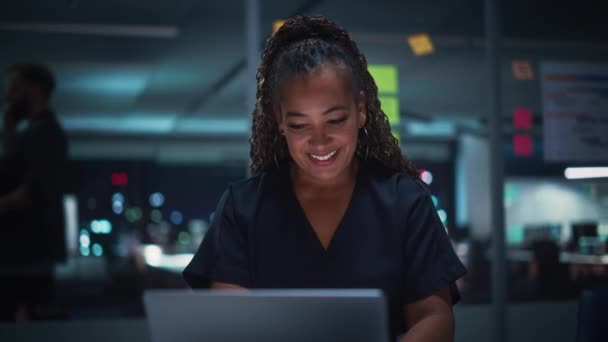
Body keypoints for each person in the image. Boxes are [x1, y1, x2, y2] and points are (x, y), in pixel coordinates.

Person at [183, 16, 466, 342]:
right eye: (301, 125)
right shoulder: (243, 207)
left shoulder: (405, 203)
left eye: (334, 120)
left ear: (360, 109)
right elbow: (230, 323)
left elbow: (434, 316)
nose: (319, 142)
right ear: (280, 121)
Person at [0, 63, 68, 320]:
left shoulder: (46, 133)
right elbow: (10, 173)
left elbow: (33, 191)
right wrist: (9, 127)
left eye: (15, 88)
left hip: (28, 252)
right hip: (24, 252)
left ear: (34, 89)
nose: (9, 96)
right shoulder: (32, 133)